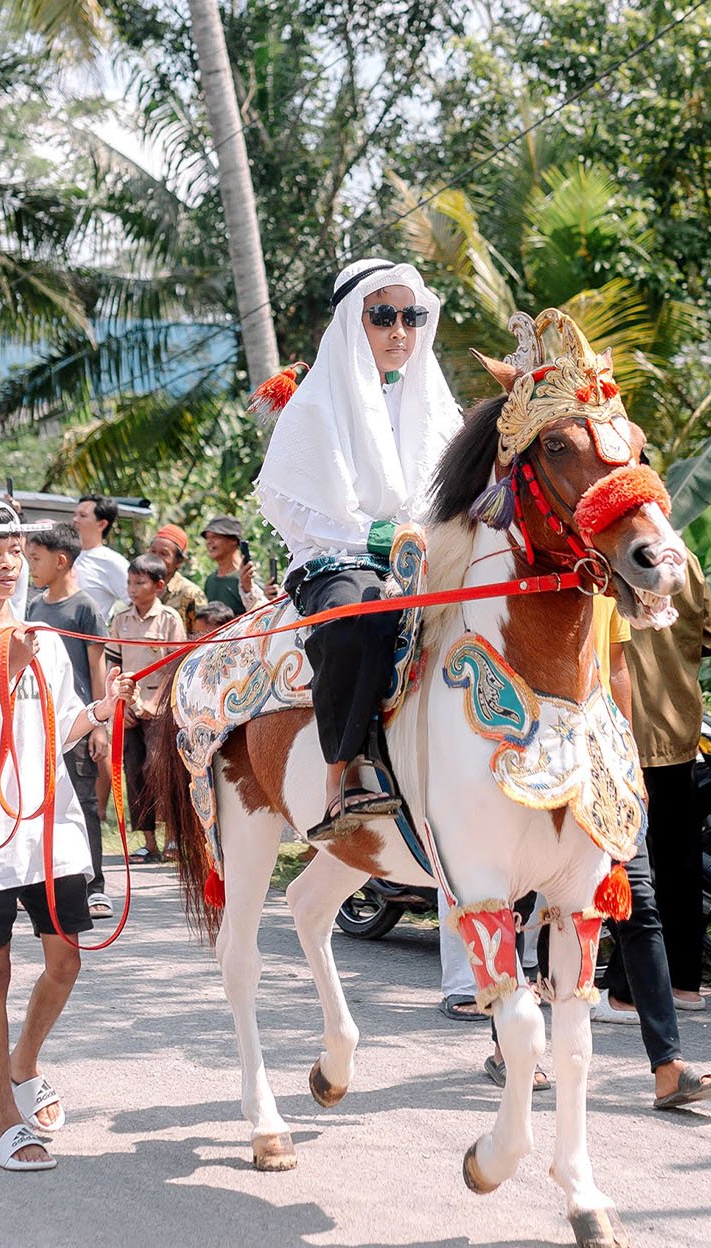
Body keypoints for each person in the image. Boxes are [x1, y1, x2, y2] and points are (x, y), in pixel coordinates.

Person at [255, 258, 461, 839]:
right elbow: (290, 505)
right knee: (360, 620)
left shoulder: (437, 401)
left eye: (412, 316)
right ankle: (343, 772)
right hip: (340, 558)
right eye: (384, 316)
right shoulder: (314, 406)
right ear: (353, 322)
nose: (401, 330)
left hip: (430, 554)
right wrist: (374, 535)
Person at [0, 500, 134, 1172]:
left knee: (65, 961)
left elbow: (66, 722)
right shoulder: (17, 642)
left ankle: (24, 1061)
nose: (4, 561)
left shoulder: (44, 638)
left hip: (48, 831)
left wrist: (105, 709)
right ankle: (6, 1117)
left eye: (13, 548)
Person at [590, 592, 711, 1109]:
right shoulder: (535, 569)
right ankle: (507, 1043)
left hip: (608, 765)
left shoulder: (606, 587)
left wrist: (626, 761)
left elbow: (617, 670)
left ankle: (669, 1067)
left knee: (640, 905)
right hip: (537, 764)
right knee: (525, 904)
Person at [622, 548, 711, 1010]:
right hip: (678, 726)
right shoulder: (685, 558)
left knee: (627, 865)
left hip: (623, 733)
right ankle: (685, 984)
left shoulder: (601, 557)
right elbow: (709, 635)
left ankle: (626, 990)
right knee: (680, 859)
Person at [25, 524, 113, 919]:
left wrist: (99, 725)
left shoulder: (85, 608)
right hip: (40, 722)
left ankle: (94, 886)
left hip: (77, 721)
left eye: (35, 558)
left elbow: (97, 668)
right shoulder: (32, 607)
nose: (29, 566)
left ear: (61, 561)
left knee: (85, 802)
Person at [107, 554, 186, 863]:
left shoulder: (169, 619)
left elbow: (175, 667)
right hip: (130, 708)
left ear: (159, 586)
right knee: (134, 771)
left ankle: (173, 838)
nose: (132, 588)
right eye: (129, 582)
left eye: (139, 583)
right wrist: (119, 703)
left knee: (159, 769)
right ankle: (148, 841)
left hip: (161, 710)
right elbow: (114, 663)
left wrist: (161, 706)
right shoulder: (121, 619)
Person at [71, 494, 129, 620]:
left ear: (101, 524)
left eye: (83, 515)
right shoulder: (64, 554)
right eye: (75, 514)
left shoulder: (112, 562)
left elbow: (137, 602)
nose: (75, 519)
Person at [200, 516, 266, 619]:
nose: (209, 541)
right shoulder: (211, 580)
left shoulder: (249, 579)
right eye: (207, 537)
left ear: (234, 540)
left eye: (216, 537)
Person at [148, 525, 206, 635]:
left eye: (163, 554)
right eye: (153, 551)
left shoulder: (190, 593)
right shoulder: (141, 586)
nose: (155, 558)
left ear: (178, 562)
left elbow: (201, 636)